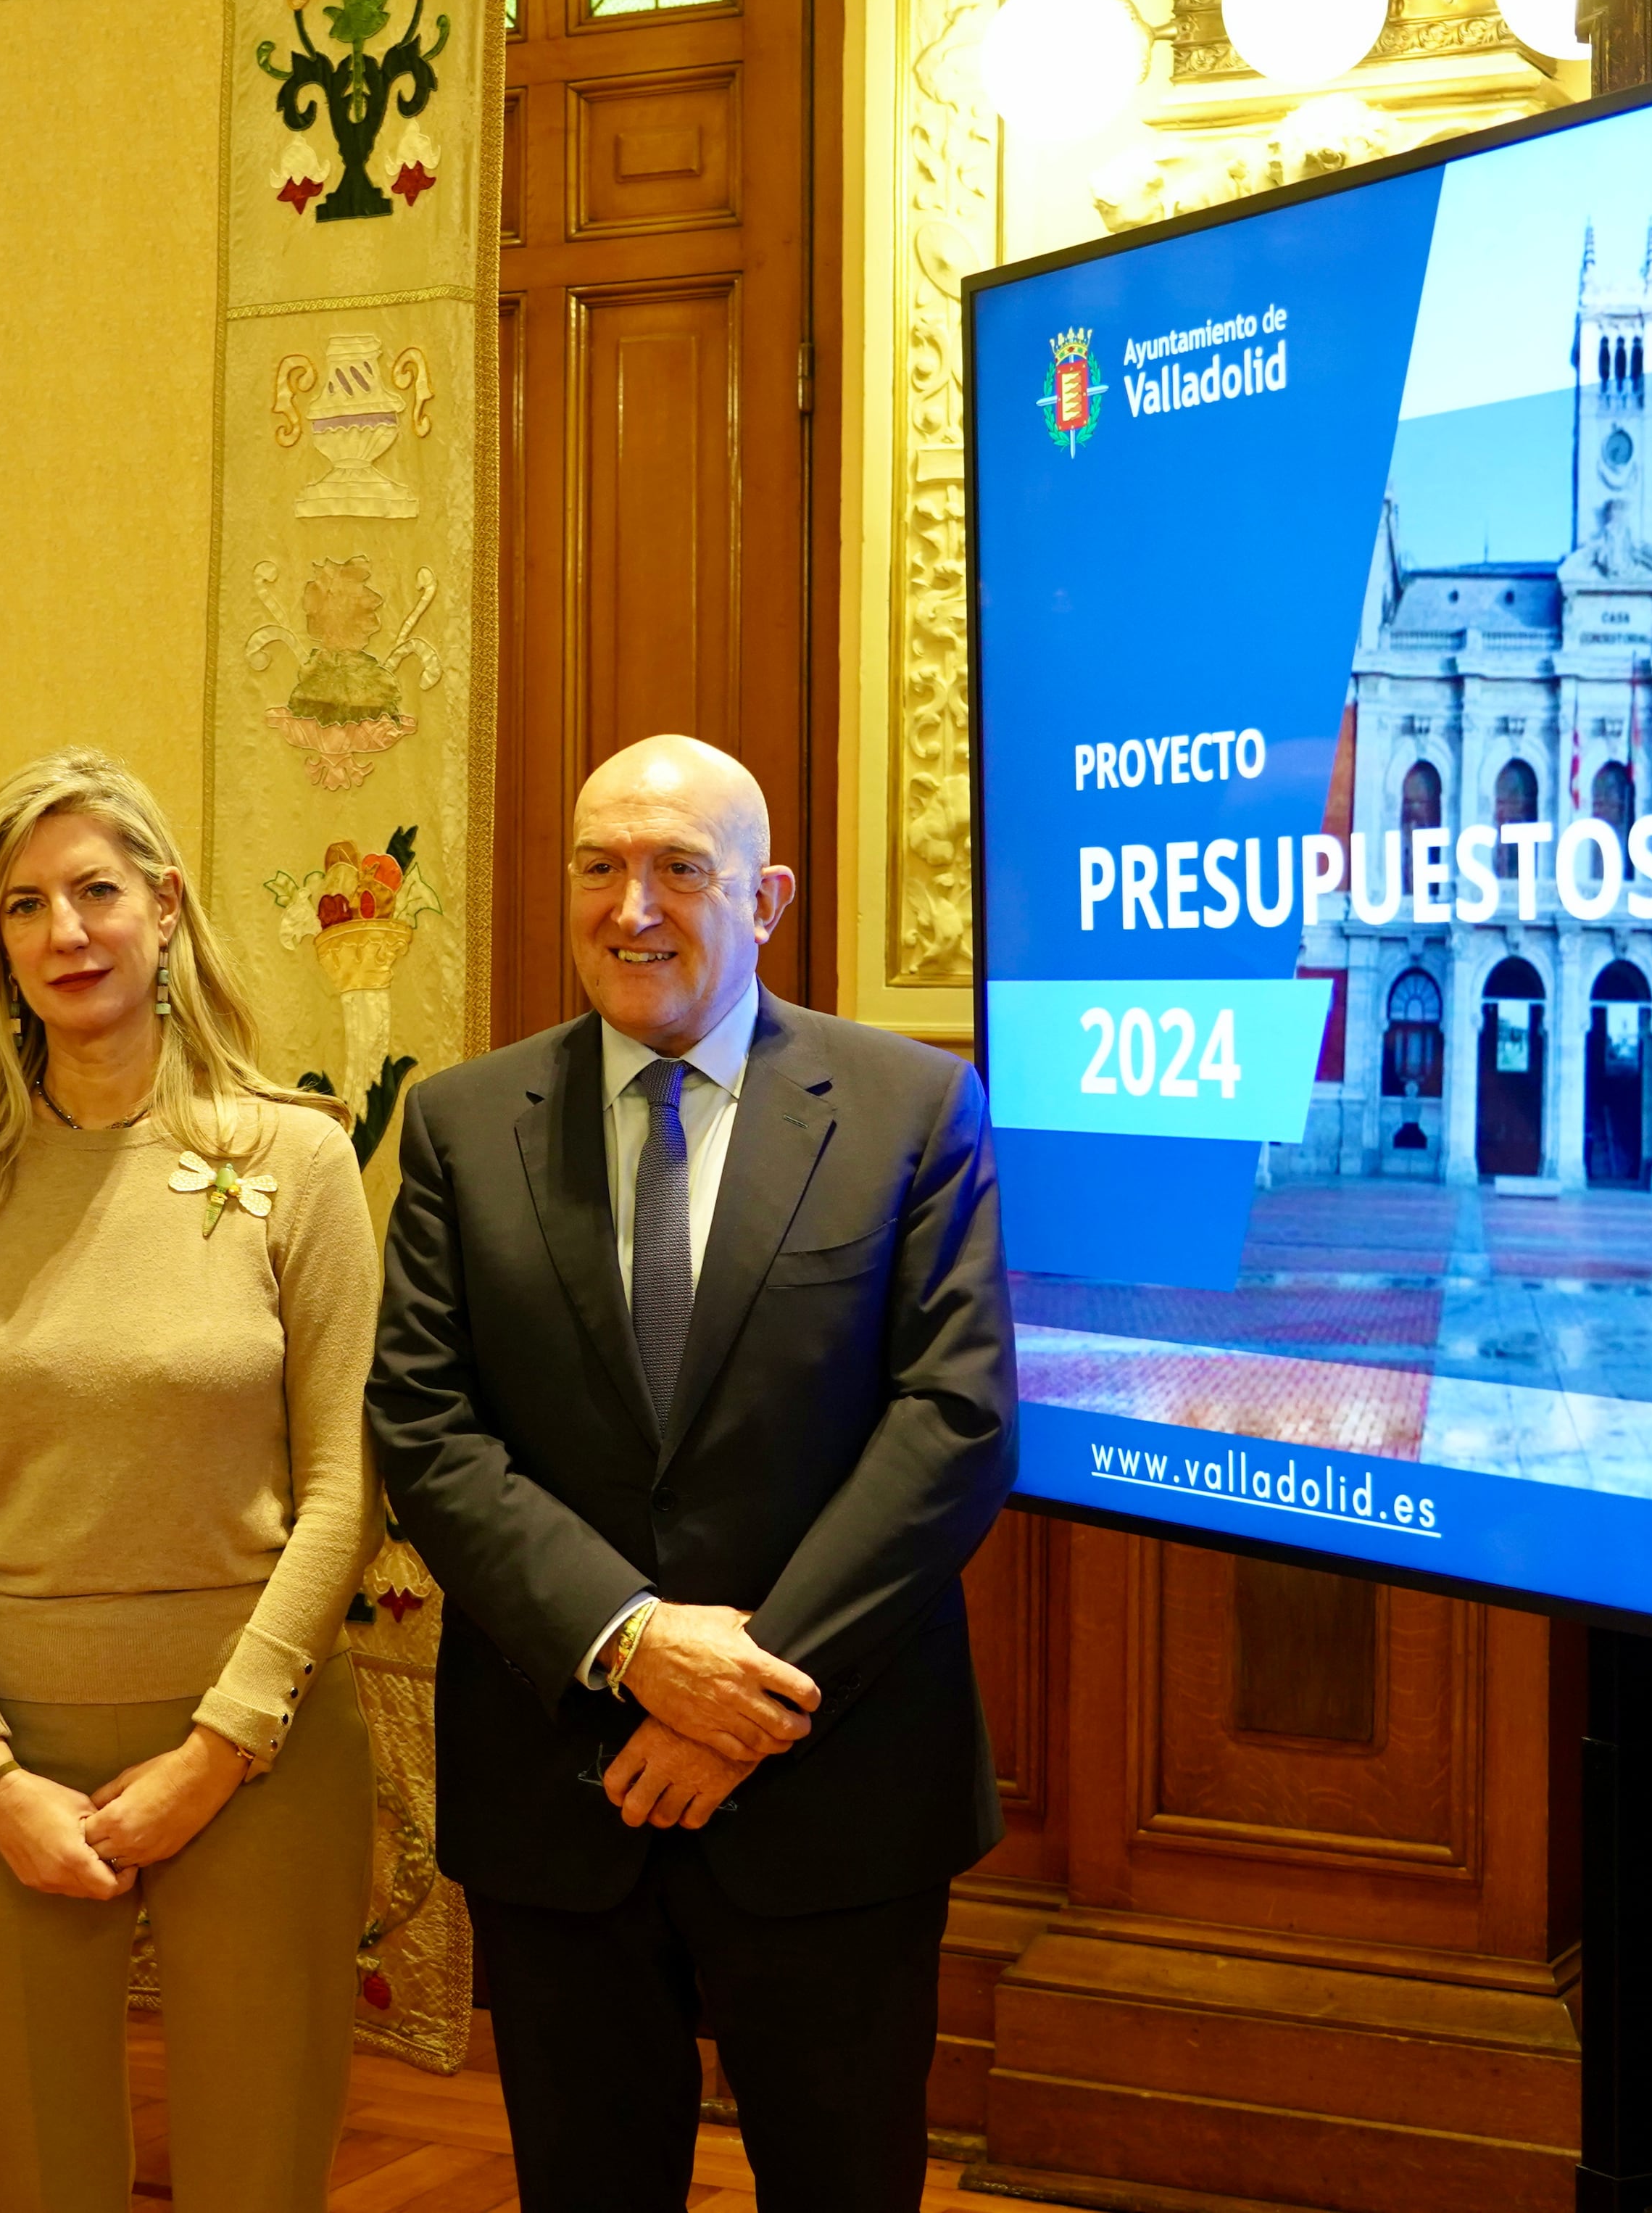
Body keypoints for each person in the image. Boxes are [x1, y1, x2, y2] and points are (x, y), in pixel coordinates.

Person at [367, 733, 1017, 2213]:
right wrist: (636, 1641)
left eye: (678, 867)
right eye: (597, 866)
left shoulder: (912, 1108)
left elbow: (954, 1422)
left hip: (834, 1782)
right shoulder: (466, 1125)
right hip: (562, 1783)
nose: (630, 906)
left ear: (768, 895)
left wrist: (748, 1693)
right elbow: (423, 1422)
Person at [0, 747, 380, 2213]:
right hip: (5, 1764)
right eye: (24, 905)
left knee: (257, 2179)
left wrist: (222, 1743)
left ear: (163, 910)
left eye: (95, 891)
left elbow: (346, 1482)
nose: (65, 931)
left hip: (260, 1751)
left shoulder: (297, 1157)